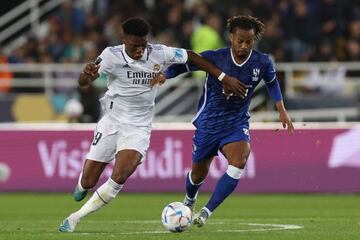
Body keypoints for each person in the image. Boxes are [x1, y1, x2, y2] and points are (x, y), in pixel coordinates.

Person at [58, 17, 247, 232]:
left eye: (143, 45)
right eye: (134, 46)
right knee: (89, 180)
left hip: (139, 126)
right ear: (124, 40)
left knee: (121, 174)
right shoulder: (110, 56)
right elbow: (85, 81)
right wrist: (85, 76)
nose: (140, 50)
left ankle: (75, 218)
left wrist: (222, 77)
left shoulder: (159, 52)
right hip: (111, 121)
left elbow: (193, 57)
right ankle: (82, 185)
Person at [151, 15, 294, 227]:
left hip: (236, 123)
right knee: (198, 174)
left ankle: (206, 212)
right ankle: (189, 200)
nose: (244, 46)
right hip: (208, 123)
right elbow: (186, 65)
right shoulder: (216, 57)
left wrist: (281, 109)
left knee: (240, 160)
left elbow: (272, 82)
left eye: (249, 42)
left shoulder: (262, 62)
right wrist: (165, 75)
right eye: (240, 41)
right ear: (231, 38)